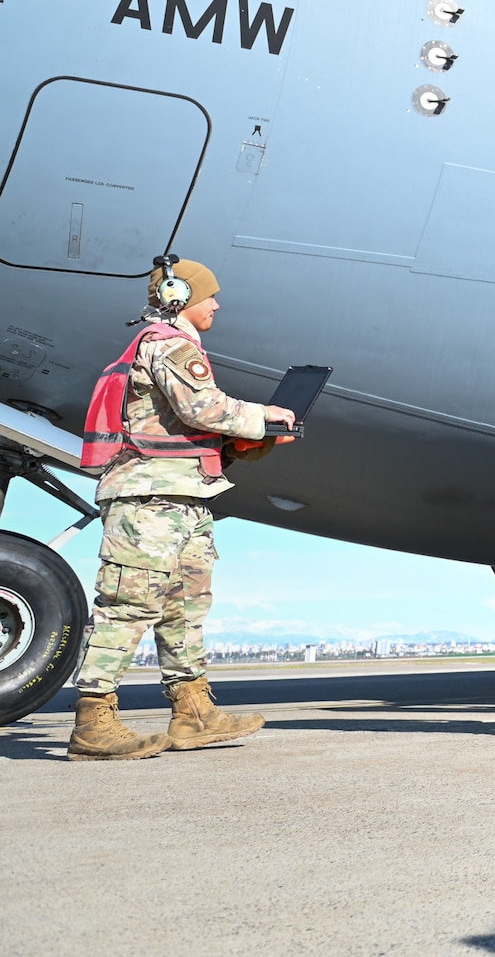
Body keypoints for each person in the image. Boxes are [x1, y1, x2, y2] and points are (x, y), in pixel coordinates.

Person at [68, 258, 292, 761]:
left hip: (184, 495)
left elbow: (178, 428)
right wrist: (264, 416)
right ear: (178, 294)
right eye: (209, 295)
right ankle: (93, 720)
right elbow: (203, 409)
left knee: (184, 607)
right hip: (149, 500)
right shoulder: (168, 343)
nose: (217, 304)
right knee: (130, 606)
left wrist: (240, 446)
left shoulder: (169, 344)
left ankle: (193, 713)